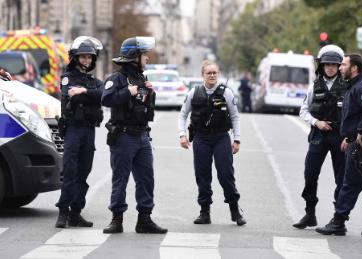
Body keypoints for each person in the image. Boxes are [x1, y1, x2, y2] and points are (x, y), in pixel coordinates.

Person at [316, 54, 362, 237]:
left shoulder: (361, 88)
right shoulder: (352, 87)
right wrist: (349, 137)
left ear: (354, 68)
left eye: (343, 64)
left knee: (349, 182)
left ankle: (339, 221)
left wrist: (360, 132)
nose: (340, 67)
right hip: (356, 142)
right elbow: (355, 117)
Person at [101, 36, 167, 234]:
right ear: (134, 56)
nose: (147, 57)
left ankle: (144, 219)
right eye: (144, 54)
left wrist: (150, 93)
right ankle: (116, 219)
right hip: (123, 136)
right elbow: (106, 99)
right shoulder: (117, 78)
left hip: (142, 136)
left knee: (146, 179)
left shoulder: (142, 78)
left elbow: (145, 106)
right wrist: (126, 93)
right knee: (120, 179)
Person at [178, 60, 246, 226]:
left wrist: (237, 139)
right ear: (203, 75)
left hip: (221, 138)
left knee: (225, 174)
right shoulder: (195, 92)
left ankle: (235, 209)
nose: (212, 75)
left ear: (218, 74)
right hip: (201, 138)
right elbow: (182, 114)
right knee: (202, 175)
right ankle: (204, 212)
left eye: (215, 72)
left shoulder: (226, 93)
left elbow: (235, 117)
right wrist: (182, 135)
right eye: (209, 73)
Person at [293, 45, 346, 229]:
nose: (330, 67)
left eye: (334, 64)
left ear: (339, 66)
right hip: (318, 135)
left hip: (339, 137)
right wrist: (317, 122)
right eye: (327, 64)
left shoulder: (347, 87)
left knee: (341, 177)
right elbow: (303, 110)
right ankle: (309, 214)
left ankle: (339, 219)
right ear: (321, 66)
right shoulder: (314, 86)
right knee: (310, 174)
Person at [55, 36, 104, 228]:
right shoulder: (67, 78)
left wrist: (83, 93)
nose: (86, 60)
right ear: (75, 58)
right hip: (73, 129)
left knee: (83, 173)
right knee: (70, 172)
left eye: (89, 57)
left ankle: (75, 213)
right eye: (83, 57)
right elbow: (70, 97)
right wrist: (87, 95)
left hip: (89, 130)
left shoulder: (94, 81)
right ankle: (63, 212)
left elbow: (103, 96)